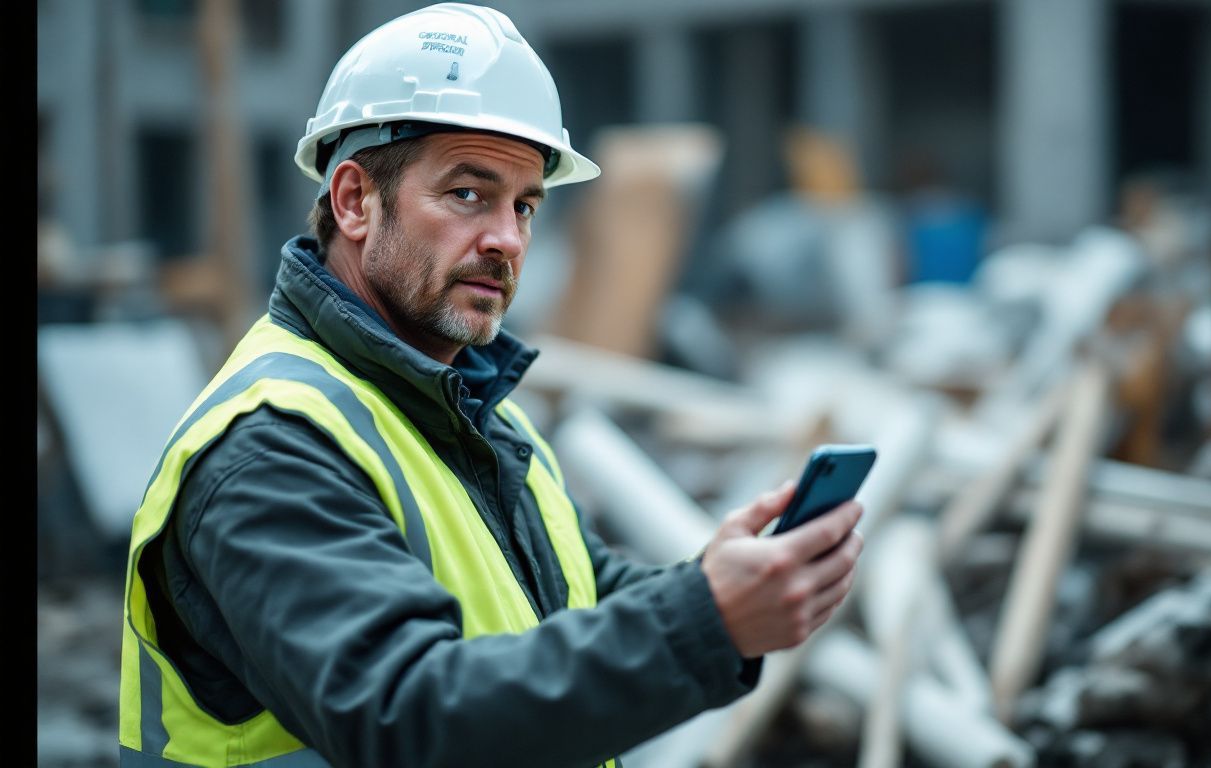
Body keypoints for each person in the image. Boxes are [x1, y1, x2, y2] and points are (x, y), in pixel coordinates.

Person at [117, 5, 864, 767]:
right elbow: (406, 716)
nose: (507, 238)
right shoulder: (270, 449)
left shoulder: (477, 418)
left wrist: (724, 578)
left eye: (525, 205)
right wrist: (707, 619)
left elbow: (580, 600)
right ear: (353, 202)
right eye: (468, 194)